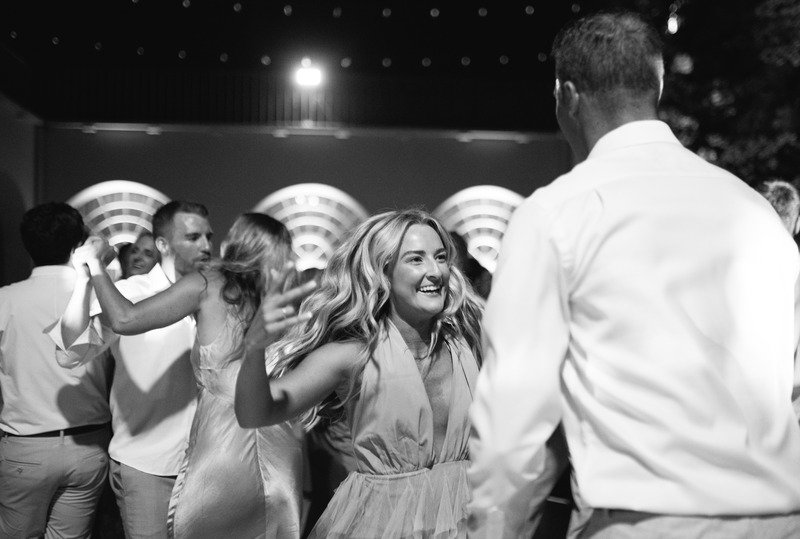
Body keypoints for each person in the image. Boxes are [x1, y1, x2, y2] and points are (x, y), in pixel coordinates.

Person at [467, 10, 800, 539]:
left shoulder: (558, 212)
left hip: (646, 521)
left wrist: (492, 529)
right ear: (658, 86)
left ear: (566, 96)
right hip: (780, 520)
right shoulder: (754, 211)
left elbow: (514, 410)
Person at [235, 208, 485, 538]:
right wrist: (253, 349)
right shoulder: (352, 356)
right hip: (385, 525)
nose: (436, 271)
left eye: (440, 257)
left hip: (468, 518)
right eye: (416, 259)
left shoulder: (469, 340)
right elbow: (256, 414)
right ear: (384, 272)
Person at [68, 211, 316, 539]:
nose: (208, 245)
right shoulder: (289, 299)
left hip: (222, 447)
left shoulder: (208, 283)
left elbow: (124, 319)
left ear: (234, 244)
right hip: (281, 442)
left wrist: (96, 267)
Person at [50, 200, 213, 539]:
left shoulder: (215, 296)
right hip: (149, 464)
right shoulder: (129, 294)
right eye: (193, 237)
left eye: (208, 237)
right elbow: (69, 355)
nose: (206, 246)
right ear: (163, 244)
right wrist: (86, 278)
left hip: (208, 464)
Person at [0, 202, 111, 538]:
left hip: (26, 444)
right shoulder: (102, 297)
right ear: (79, 243)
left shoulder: (6, 299)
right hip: (89, 445)